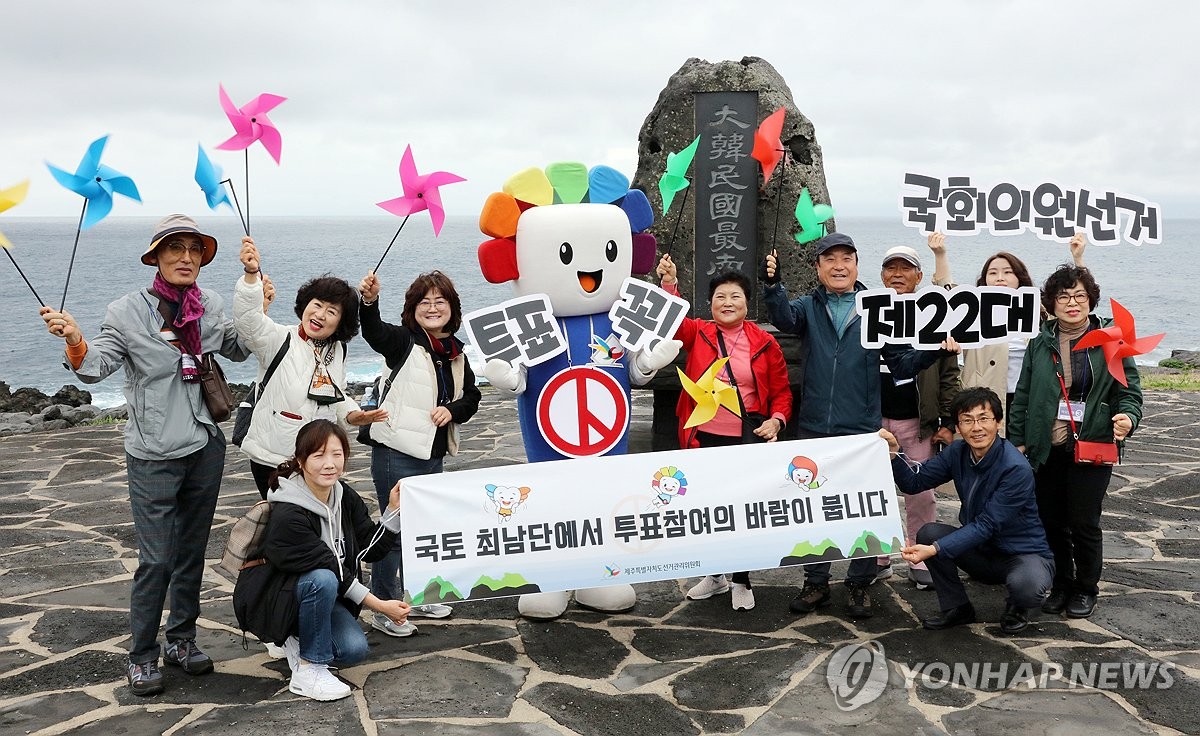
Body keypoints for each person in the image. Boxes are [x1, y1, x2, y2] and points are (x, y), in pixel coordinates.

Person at [39, 214, 250, 696]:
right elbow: (95, 367)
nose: (186, 258)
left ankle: (182, 640)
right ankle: (141, 655)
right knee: (156, 560)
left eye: (194, 250)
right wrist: (74, 339)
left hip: (204, 446)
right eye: (175, 249)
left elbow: (237, 348)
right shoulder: (127, 312)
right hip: (153, 451)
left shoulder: (209, 304)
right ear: (155, 257)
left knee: (192, 554)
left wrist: (255, 295)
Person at [763, 232, 956, 619]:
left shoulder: (877, 308)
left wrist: (934, 348)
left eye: (846, 258)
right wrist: (773, 284)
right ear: (818, 268)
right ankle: (815, 582)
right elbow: (782, 317)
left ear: (856, 265)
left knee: (864, 510)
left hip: (864, 430)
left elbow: (901, 364)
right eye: (829, 259)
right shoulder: (807, 306)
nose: (838, 266)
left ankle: (859, 583)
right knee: (813, 509)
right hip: (815, 425)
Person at [1007, 264, 1143, 619]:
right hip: (1046, 446)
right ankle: (1062, 584)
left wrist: (1127, 418)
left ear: (1090, 300)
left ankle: (1085, 588)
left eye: (1080, 296)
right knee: (1050, 521)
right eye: (1064, 296)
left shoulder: (1112, 341)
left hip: (1092, 445)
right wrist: (1018, 440)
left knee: (1084, 522)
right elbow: (1022, 396)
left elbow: (1130, 393)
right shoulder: (1039, 343)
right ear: (1051, 302)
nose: (1072, 303)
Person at [657, 256, 791, 611]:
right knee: (706, 510)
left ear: (747, 303)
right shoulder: (698, 331)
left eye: (734, 297)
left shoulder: (764, 343)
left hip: (746, 439)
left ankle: (742, 579)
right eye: (720, 297)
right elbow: (671, 325)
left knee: (743, 511)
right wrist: (669, 283)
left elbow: (781, 392)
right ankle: (714, 576)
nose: (727, 303)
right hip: (702, 437)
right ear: (710, 303)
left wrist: (777, 419)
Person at [357, 270, 481, 634]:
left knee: (423, 530)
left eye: (439, 302)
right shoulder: (403, 342)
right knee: (392, 533)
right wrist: (368, 301)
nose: (432, 308)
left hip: (432, 454)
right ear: (412, 309)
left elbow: (471, 396)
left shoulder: (455, 352)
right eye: (423, 302)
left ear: (452, 309)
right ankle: (383, 607)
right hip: (396, 451)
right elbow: (374, 332)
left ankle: (421, 597)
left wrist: (452, 411)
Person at [881, 387, 1055, 634]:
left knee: (1027, 589)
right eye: (967, 420)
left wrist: (934, 550)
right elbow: (914, 483)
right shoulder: (957, 452)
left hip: (1022, 552)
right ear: (958, 427)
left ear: (998, 422)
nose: (976, 428)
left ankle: (1017, 606)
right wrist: (894, 455)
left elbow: (987, 524)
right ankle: (958, 608)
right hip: (981, 552)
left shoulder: (1015, 467)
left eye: (984, 418)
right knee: (929, 533)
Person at [262, 419, 412, 701]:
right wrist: (379, 605)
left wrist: (393, 511)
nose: (329, 463)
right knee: (322, 577)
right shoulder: (288, 512)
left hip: (327, 596)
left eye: (337, 454)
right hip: (283, 599)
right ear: (301, 460)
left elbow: (369, 549)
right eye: (318, 455)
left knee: (353, 650)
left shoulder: (343, 496)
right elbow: (331, 568)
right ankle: (308, 670)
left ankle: (294, 638)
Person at [235, 238, 385, 499]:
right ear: (305, 305)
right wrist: (251, 278)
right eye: (317, 305)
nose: (320, 315)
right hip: (275, 458)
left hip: (317, 458)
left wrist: (352, 414)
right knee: (286, 526)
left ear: (341, 322)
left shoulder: (338, 350)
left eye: (331, 311)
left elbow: (335, 394)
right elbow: (248, 322)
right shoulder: (279, 338)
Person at [927, 231, 1087, 425]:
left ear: (1020, 278)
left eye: (1008, 272)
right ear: (984, 280)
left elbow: (1079, 306)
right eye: (992, 273)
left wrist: (1078, 258)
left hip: (1030, 401)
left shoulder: (1040, 311)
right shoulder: (974, 312)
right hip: (984, 402)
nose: (1000, 278)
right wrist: (940, 254)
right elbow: (947, 293)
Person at [875, 245, 960, 591]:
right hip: (875, 422)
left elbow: (949, 376)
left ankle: (920, 558)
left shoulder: (935, 315)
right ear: (881, 276)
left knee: (921, 494)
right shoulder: (871, 312)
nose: (897, 274)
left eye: (905, 268)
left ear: (919, 276)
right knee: (874, 492)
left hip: (918, 421)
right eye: (890, 268)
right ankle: (876, 559)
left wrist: (947, 422)